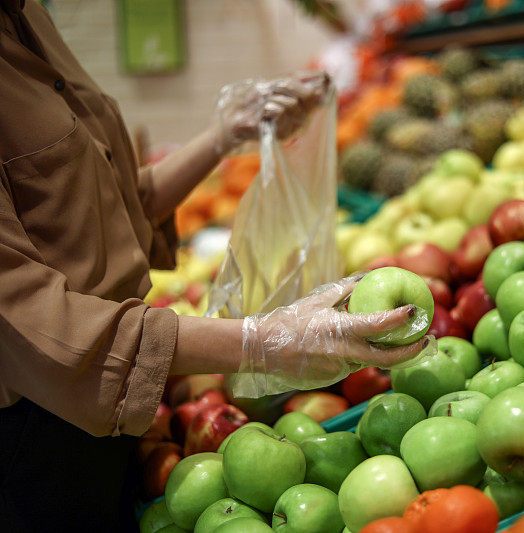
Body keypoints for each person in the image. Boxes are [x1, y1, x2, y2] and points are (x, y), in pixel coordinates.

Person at [0, 1, 425, 530]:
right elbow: (31, 323)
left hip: (115, 400)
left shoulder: (29, 16)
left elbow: (110, 206)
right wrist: (260, 340)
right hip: (33, 431)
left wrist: (224, 136)